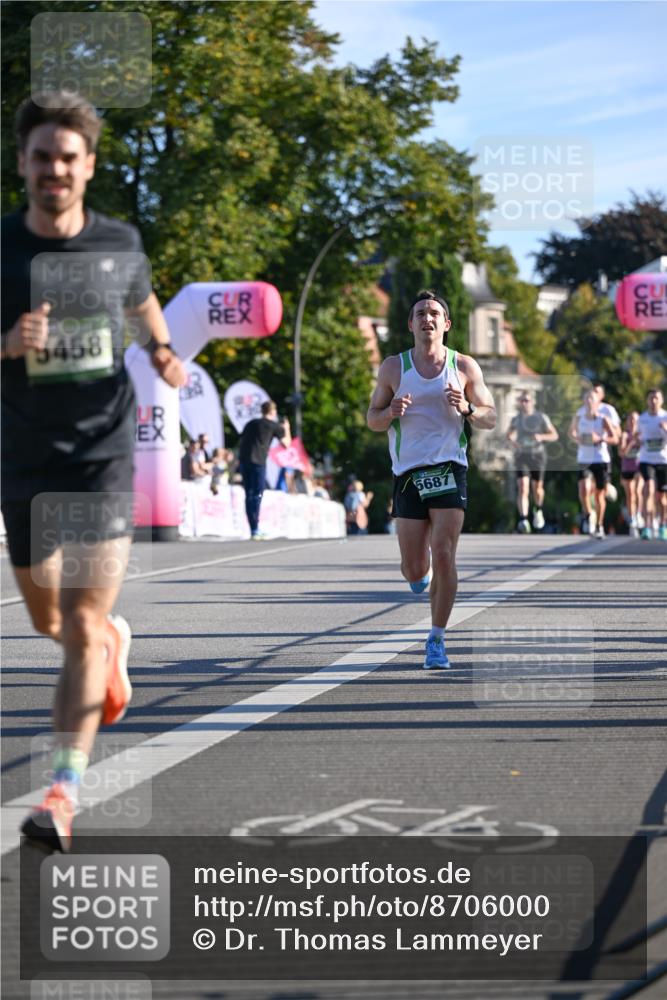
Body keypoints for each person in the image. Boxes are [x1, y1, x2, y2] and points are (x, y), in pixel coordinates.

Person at [1, 93, 187, 851]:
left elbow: (144, 306)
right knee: (49, 622)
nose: (55, 169)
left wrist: (163, 352)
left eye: (68, 158)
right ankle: (111, 641)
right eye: (42, 157)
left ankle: (63, 791)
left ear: (89, 166)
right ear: (23, 163)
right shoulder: (1, 248)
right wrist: (8, 342)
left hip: (103, 456)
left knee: (76, 625)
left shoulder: (120, 242)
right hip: (23, 458)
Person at [367, 289, 496, 669]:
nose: (428, 318)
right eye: (421, 313)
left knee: (444, 553)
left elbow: (490, 417)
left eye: (434, 313)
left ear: (446, 324)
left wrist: (468, 408)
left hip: (449, 468)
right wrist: (390, 412)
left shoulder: (464, 366)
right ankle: (418, 574)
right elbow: (372, 420)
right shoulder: (394, 367)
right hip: (408, 473)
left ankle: (436, 639)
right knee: (414, 568)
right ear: (410, 324)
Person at [506, 391, 558, 533]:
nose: (524, 403)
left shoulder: (541, 417)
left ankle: (538, 509)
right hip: (521, 455)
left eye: (527, 400)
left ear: (532, 402)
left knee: (537, 488)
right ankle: (523, 519)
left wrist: (541, 437)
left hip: (537, 456)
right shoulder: (516, 419)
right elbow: (508, 435)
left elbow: (554, 435)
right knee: (523, 487)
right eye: (522, 400)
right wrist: (513, 441)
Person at [238, 399, 290, 539]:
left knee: (249, 494)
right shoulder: (274, 425)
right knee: (257, 494)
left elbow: (242, 440)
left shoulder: (251, 423)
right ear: (273, 411)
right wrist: (287, 428)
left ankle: (253, 528)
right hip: (258, 462)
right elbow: (286, 444)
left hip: (244, 461)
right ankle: (255, 529)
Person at [569, 389, 616, 538]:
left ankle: (599, 525)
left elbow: (615, 438)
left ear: (597, 402)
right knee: (583, 489)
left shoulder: (603, 419)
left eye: (592, 399)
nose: (589, 402)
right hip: (584, 459)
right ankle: (589, 515)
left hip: (601, 459)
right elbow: (571, 433)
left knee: (599, 495)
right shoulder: (579, 417)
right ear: (584, 402)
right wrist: (579, 439)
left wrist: (600, 439)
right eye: (587, 399)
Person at [635, 388, 667, 541]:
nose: (653, 401)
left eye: (656, 398)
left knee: (662, 498)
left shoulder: (665, 416)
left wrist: (665, 429)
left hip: (663, 460)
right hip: (646, 459)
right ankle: (647, 526)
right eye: (651, 398)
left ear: (661, 400)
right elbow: (637, 438)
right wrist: (637, 439)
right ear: (647, 401)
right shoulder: (642, 418)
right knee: (648, 490)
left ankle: (662, 525)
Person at [619, 412, 643, 537]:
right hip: (627, 468)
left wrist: (639, 440)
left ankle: (639, 514)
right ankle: (632, 518)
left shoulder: (642, 434)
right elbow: (622, 453)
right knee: (630, 494)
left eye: (635, 419)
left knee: (638, 491)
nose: (633, 422)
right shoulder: (624, 435)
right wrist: (631, 442)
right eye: (631, 419)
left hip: (640, 467)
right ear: (627, 422)